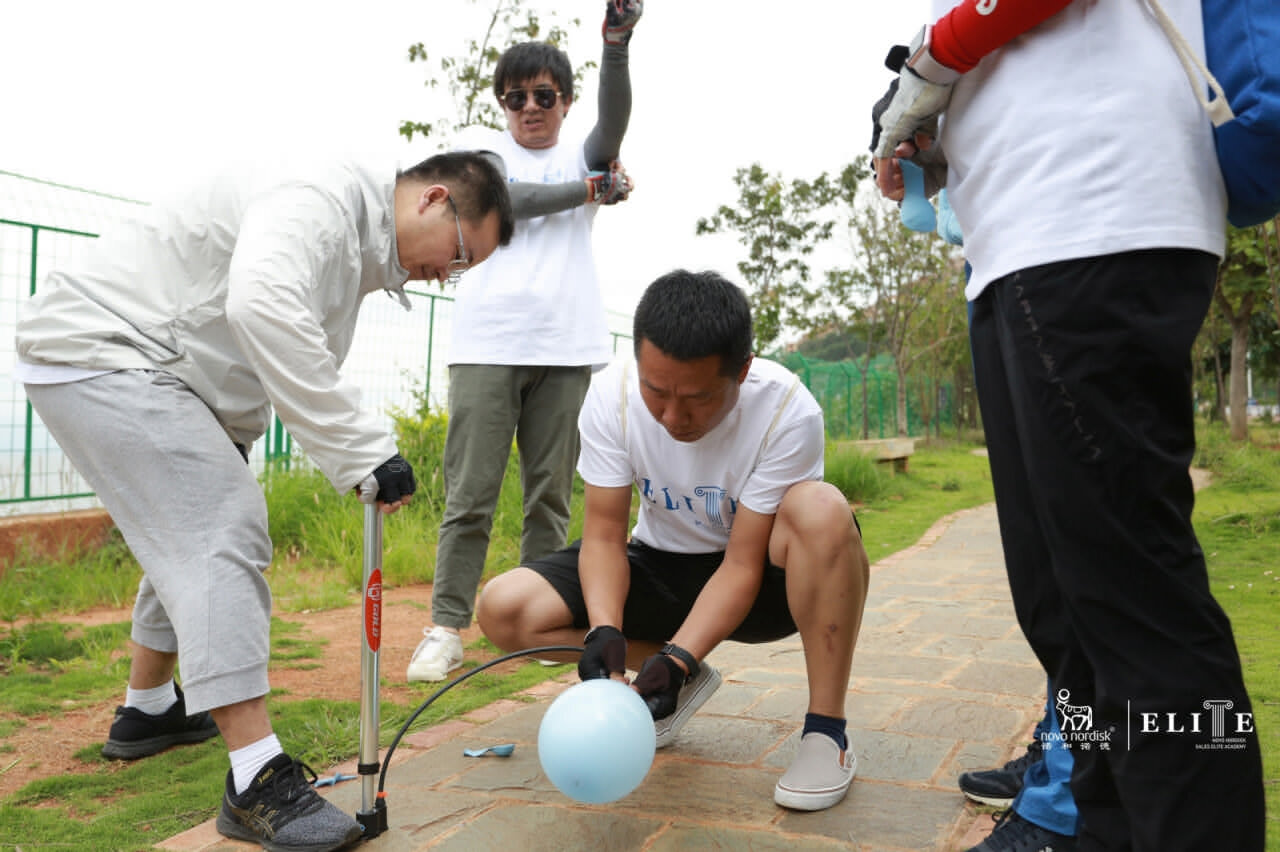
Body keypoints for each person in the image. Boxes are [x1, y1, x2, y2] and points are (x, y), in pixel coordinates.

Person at [15, 151, 514, 852]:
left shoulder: (358, 250)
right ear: (434, 200)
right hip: (103, 345)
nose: (450, 274)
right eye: (460, 254)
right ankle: (255, 779)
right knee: (222, 521)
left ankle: (149, 709)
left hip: (154, 363)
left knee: (192, 521)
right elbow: (260, 303)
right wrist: (361, 446)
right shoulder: (326, 200)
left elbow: (257, 342)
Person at [871, 1, 1266, 848]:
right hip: (1017, 238)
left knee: (1136, 605)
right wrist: (942, 141)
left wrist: (932, 64)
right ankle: (1102, 823)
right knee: (1064, 614)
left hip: (1092, 212)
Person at [475, 269, 870, 812]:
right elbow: (606, 536)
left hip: (758, 586)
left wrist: (679, 654)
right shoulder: (611, 395)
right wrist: (605, 632)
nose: (671, 416)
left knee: (822, 509)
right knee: (505, 608)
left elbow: (740, 563)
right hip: (656, 565)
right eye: (655, 391)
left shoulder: (786, 411)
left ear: (743, 372)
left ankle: (827, 734)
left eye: (698, 398)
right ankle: (672, 679)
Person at [406, 0, 643, 683]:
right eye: (516, 97)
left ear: (565, 101)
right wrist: (592, 190)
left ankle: (538, 627)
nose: (529, 107)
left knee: (552, 498)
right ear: (502, 104)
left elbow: (615, 124)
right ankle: (446, 627)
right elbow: (508, 200)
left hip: (567, 349)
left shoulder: (584, 153)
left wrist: (617, 45)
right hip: (486, 345)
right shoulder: (480, 152)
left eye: (544, 95)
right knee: (469, 495)